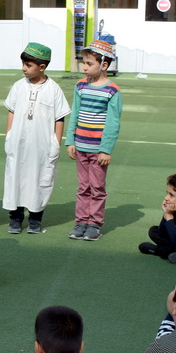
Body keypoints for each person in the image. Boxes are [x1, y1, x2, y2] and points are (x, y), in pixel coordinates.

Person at [3, 42, 70, 235]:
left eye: (28, 65)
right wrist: (9, 135)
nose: (24, 68)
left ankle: (35, 219)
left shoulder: (53, 89)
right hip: (18, 143)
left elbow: (59, 117)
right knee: (15, 178)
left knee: (39, 179)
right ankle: (15, 218)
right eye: (23, 63)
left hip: (41, 146)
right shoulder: (18, 86)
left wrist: (56, 142)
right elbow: (11, 111)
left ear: (42, 67)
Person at [66, 40, 122, 241]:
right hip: (81, 146)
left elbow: (113, 122)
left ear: (104, 65)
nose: (84, 67)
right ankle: (81, 221)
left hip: (98, 150)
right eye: (84, 62)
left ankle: (94, 224)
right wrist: (70, 141)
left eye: (89, 63)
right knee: (83, 187)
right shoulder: (80, 86)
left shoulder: (112, 90)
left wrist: (106, 149)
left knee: (97, 187)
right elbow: (74, 114)